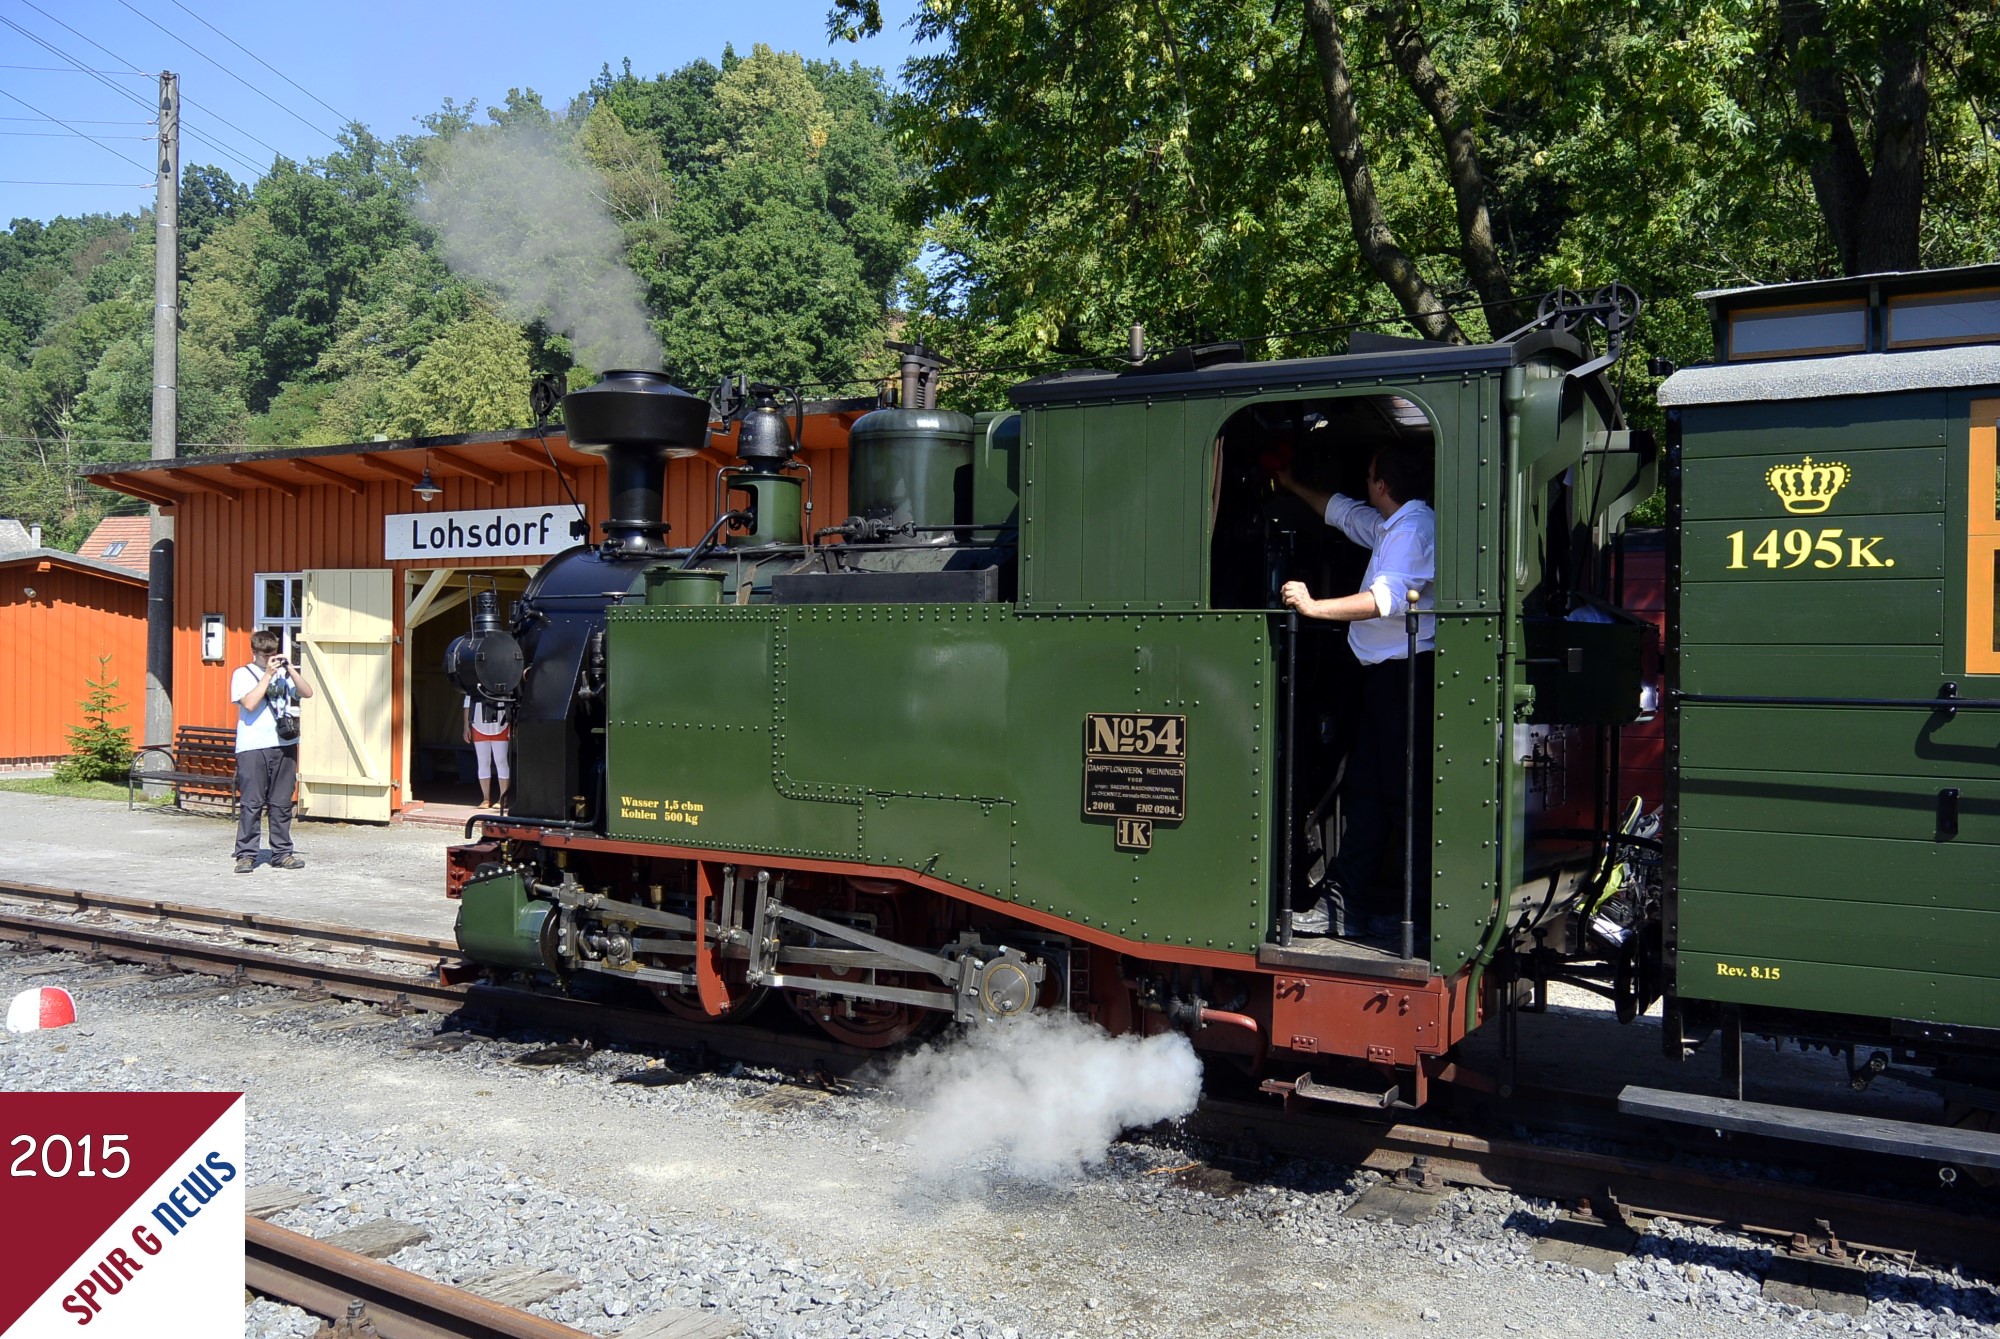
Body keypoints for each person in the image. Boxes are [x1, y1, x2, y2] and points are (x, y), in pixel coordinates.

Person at [1277, 447, 1435, 938]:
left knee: (1391, 799)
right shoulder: (1395, 523)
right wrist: (1290, 483)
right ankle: (1356, 909)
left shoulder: (1410, 531)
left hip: (1402, 678)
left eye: (1368, 476)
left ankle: (1411, 917)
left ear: (1382, 484)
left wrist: (1312, 606)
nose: (1366, 484)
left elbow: (1383, 600)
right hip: (1385, 678)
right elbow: (1346, 514)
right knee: (1371, 793)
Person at [231, 629, 314, 874]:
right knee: (252, 803)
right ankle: (246, 855)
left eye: (273, 654)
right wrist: (267, 675)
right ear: (254, 652)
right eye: (265, 655)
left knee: (281, 803)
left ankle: (282, 853)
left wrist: (289, 669)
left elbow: (307, 692)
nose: (270, 658)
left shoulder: (282, 673)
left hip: (284, 744)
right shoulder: (242, 674)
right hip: (253, 746)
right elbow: (249, 703)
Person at [462, 694, 512, 813]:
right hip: (478, 724)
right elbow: (467, 704)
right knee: (483, 761)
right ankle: (485, 799)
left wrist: (512, 725)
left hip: (501, 724)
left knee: (501, 761)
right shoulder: (473, 683)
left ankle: (502, 799)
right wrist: (466, 726)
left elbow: (510, 703)